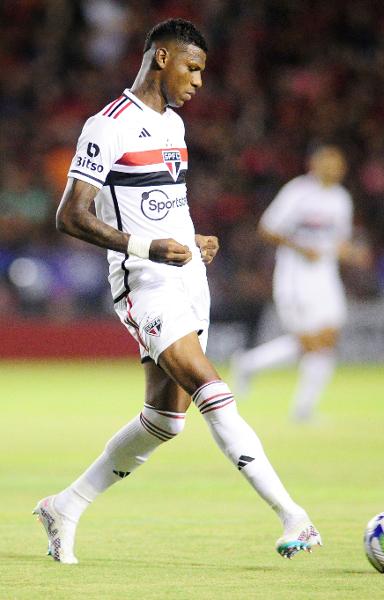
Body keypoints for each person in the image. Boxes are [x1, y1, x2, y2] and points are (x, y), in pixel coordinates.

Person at [33, 18, 321, 564]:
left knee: (166, 420)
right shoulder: (108, 125)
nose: (199, 81)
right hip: (145, 283)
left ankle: (64, 507)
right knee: (214, 390)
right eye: (193, 68)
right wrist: (144, 249)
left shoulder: (173, 127)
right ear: (161, 58)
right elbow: (70, 215)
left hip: (190, 279)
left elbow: (165, 203)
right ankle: (293, 516)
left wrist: (193, 239)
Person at [232, 146, 363, 422]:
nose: (334, 168)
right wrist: (300, 247)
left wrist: (351, 253)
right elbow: (267, 228)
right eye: (328, 162)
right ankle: (297, 405)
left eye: (338, 163)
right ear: (313, 164)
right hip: (295, 277)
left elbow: (338, 241)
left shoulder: (341, 198)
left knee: (326, 339)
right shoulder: (298, 191)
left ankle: (253, 366)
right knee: (311, 342)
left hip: (326, 277)